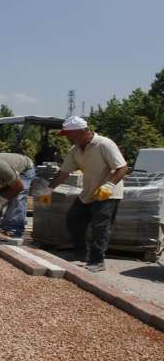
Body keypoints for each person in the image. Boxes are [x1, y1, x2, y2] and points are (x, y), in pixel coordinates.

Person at [47, 116, 128, 272]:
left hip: (107, 194)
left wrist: (109, 185)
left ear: (80, 131)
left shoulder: (104, 144)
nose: (68, 138)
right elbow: (63, 173)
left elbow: (122, 168)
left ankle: (97, 261)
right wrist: (49, 189)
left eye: (69, 134)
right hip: (89, 193)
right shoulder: (75, 150)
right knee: (73, 219)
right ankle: (81, 253)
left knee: (100, 227)